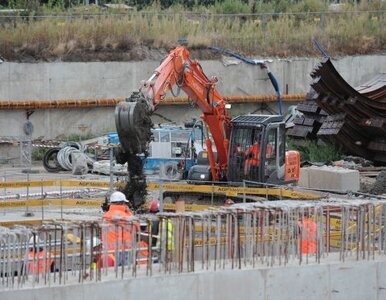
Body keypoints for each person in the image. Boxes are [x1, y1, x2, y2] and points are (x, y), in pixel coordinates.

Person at [102, 191, 139, 266]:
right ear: (122, 203)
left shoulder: (106, 216)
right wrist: (128, 212)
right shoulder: (126, 216)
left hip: (109, 253)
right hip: (124, 251)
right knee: (125, 274)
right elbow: (137, 227)